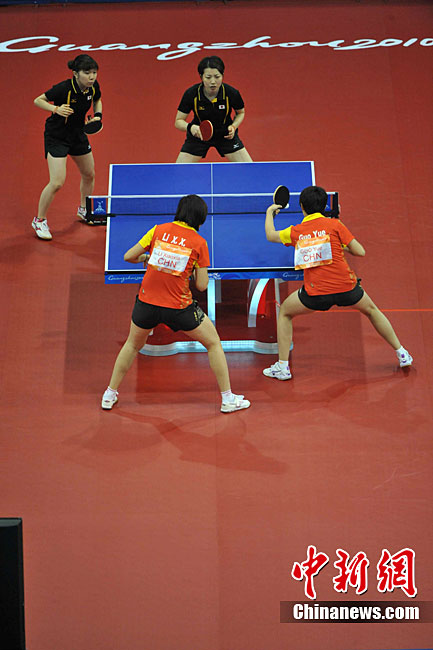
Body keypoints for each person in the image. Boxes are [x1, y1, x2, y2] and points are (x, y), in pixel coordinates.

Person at [101, 194, 250, 413]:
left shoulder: (157, 230)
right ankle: (227, 399)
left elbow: (128, 256)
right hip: (179, 309)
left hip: (146, 305)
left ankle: (109, 394)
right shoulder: (199, 243)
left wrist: (147, 258)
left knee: (132, 345)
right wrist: (196, 268)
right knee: (213, 343)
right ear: (200, 220)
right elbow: (202, 286)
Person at [262, 185, 413, 380]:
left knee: (285, 312)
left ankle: (283, 367)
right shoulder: (335, 225)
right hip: (347, 288)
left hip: (315, 295)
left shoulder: (296, 232)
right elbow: (360, 251)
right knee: (371, 310)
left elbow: (270, 235)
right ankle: (401, 353)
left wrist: (269, 212)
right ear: (325, 206)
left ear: (302, 206)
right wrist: (338, 244)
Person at [32, 55, 102, 240]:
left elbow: (97, 100)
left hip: (78, 134)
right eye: (87, 73)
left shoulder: (93, 87)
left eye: (94, 72)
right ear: (76, 73)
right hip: (57, 136)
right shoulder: (63, 88)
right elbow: (38, 100)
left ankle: (83, 209)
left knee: (89, 174)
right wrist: (56, 109)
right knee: (57, 182)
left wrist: (98, 115)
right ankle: (39, 220)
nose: (92, 77)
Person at [174, 56, 253, 163]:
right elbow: (178, 121)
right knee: (180, 170)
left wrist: (233, 126)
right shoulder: (191, 94)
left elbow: (241, 113)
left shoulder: (231, 93)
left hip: (225, 135)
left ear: (222, 75)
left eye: (217, 76)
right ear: (201, 77)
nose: (213, 82)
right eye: (208, 77)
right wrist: (191, 127)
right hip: (199, 134)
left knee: (248, 168)